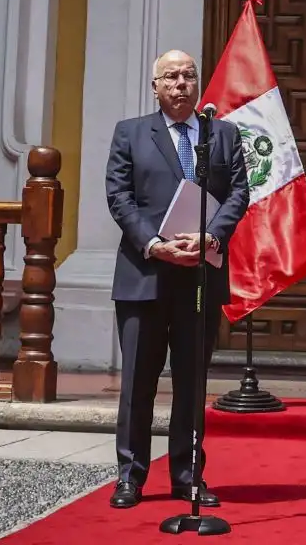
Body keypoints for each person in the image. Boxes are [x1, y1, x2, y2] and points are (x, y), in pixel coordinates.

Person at [105, 49, 251, 510]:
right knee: (137, 383)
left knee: (191, 382)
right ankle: (130, 476)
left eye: (188, 75)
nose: (181, 83)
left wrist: (212, 235)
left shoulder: (221, 134)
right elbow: (119, 196)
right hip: (144, 274)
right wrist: (154, 244)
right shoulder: (130, 133)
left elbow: (240, 192)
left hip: (199, 275)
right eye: (171, 76)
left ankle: (188, 476)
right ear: (155, 87)